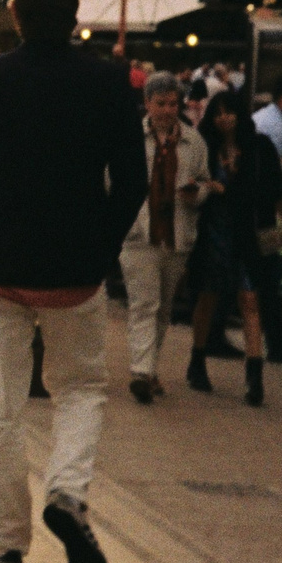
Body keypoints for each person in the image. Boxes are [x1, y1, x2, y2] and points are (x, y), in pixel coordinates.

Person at [0, 0, 146, 563]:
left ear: (14, 11)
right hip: (75, 275)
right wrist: (99, 247)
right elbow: (133, 182)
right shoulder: (111, 84)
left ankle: (5, 548)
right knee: (80, 390)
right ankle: (67, 492)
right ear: (77, 11)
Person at [185, 84, 282, 407]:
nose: (224, 119)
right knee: (208, 294)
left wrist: (227, 188)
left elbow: (270, 189)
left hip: (246, 235)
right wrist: (205, 187)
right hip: (213, 231)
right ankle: (197, 360)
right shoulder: (205, 147)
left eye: (229, 112)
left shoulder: (258, 148)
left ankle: (254, 375)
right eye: (217, 114)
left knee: (249, 298)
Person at [119, 72, 212, 405]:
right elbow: (112, 181)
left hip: (177, 234)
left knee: (163, 308)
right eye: (161, 103)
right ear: (147, 103)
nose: (168, 110)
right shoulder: (130, 138)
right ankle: (141, 371)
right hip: (138, 233)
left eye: (173, 103)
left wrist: (197, 194)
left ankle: (150, 367)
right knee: (145, 303)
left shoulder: (194, 142)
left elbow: (205, 182)